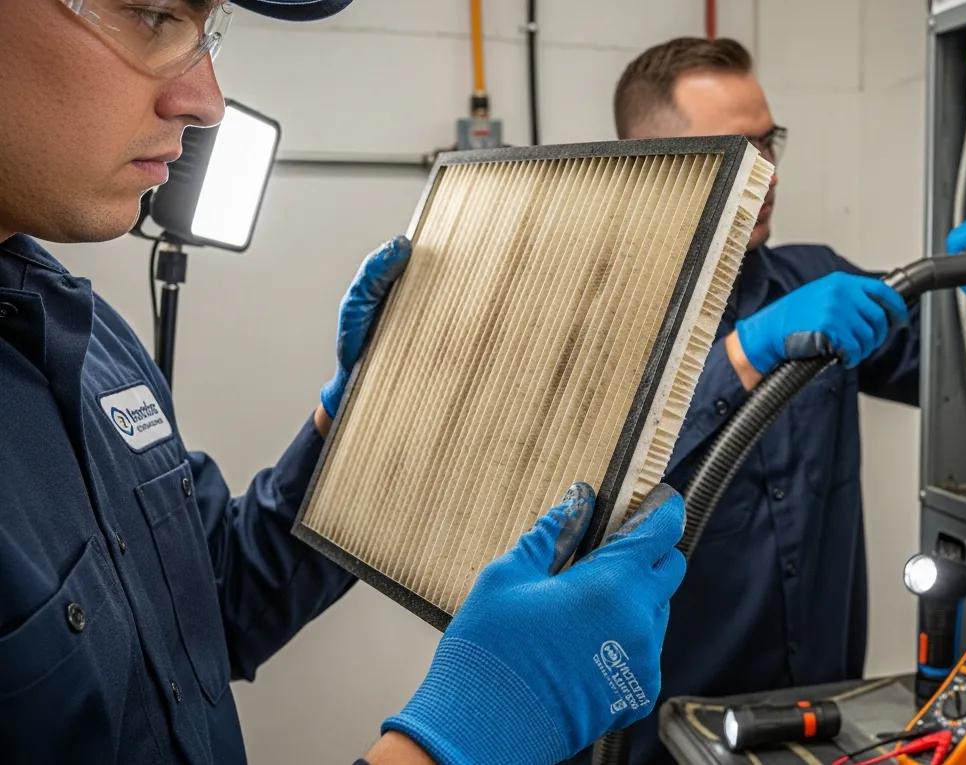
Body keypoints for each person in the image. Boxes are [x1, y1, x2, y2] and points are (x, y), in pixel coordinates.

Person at [0, 2, 686, 764]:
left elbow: (213, 598)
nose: (206, 99)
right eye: (155, 14)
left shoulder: (81, 336)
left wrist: (359, 414)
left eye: (205, 32)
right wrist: (467, 733)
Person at [606, 37, 966, 762]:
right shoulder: (601, 324)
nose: (767, 171)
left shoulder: (817, 283)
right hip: (658, 737)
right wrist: (747, 353)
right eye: (737, 148)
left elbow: (961, 387)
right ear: (656, 168)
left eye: (769, 140)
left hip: (822, 718)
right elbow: (606, 488)